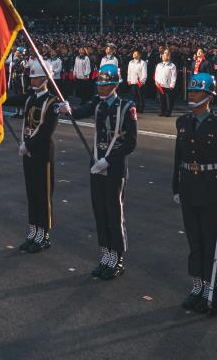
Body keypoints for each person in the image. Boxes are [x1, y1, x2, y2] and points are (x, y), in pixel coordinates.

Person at [172, 73, 217, 316]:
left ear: (209, 96)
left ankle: (212, 292)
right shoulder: (183, 123)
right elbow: (178, 158)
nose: (191, 94)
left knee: (213, 245)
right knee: (195, 242)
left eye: (197, 91)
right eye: (191, 90)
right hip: (189, 188)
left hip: (212, 191)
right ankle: (198, 287)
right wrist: (176, 187)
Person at [61, 64, 137, 280]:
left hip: (114, 167)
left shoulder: (126, 106)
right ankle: (105, 254)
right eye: (99, 85)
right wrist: (68, 109)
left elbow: (130, 143)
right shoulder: (97, 103)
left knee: (114, 212)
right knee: (100, 211)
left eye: (105, 85)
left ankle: (117, 257)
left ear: (114, 84)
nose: (101, 89)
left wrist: (108, 160)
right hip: (96, 164)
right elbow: (79, 112)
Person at [9, 60, 63, 254]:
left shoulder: (52, 102)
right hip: (29, 152)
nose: (31, 81)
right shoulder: (31, 97)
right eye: (31, 77)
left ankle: (44, 234)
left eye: (35, 77)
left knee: (43, 195)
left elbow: (46, 131)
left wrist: (28, 145)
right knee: (32, 194)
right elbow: (11, 100)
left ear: (45, 79)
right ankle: (33, 230)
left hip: (42, 154)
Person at [155, 50, 177, 117]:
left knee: (169, 100)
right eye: (163, 55)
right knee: (162, 99)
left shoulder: (172, 65)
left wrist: (172, 85)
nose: (164, 56)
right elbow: (156, 74)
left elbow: (174, 76)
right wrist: (156, 81)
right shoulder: (159, 65)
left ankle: (168, 112)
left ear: (169, 56)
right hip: (160, 84)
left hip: (168, 85)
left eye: (166, 55)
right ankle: (162, 111)